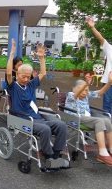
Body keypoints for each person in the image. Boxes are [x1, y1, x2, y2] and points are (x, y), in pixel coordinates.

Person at [6, 40, 69, 169]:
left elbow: (43, 74)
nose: (26, 79)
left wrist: (42, 58)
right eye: (23, 76)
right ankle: (49, 157)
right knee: (45, 129)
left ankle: (56, 155)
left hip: (37, 119)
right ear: (17, 74)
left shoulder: (30, 84)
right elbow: (7, 73)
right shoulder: (13, 86)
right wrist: (12, 53)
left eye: (28, 77)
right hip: (23, 120)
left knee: (61, 125)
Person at [65, 72, 112, 166]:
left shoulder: (86, 96)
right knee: (99, 120)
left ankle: (110, 148)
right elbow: (76, 94)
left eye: (87, 90)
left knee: (107, 120)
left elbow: (100, 92)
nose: (85, 92)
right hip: (75, 118)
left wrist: (109, 82)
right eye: (82, 90)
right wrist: (86, 83)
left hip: (87, 119)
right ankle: (102, 153)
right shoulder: (70, 95)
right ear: (74, 88)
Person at [85, 17, 112, 113]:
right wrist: (92, 27)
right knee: (108, 105)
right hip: (109, 83)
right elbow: (100, 38)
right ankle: (109, 125)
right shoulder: (110, 48)